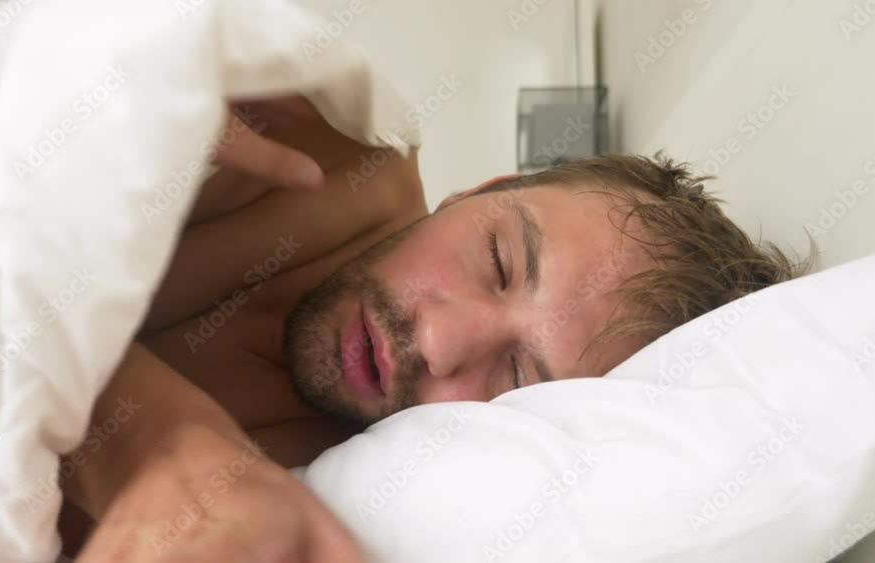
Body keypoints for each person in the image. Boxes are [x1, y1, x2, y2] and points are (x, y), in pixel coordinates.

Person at [61, 97, 805, 562]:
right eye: (498, 260)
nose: (442, 342)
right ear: (480, 190)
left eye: (516, 378)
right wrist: (158, 447)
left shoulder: (350, 503)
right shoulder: (316, 142)